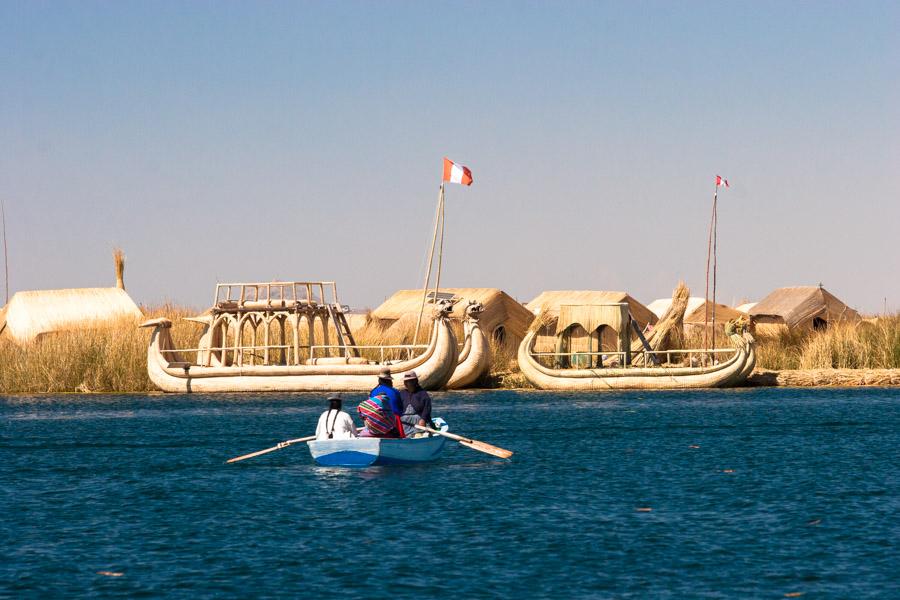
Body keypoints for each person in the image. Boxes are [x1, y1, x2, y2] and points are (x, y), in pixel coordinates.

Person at [370, 367, 405, 435]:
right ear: (389, 380)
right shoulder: (395, 392)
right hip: (394, 422)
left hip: (376, 423)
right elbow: (400, 410)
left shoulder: (373, 392)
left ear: (379, 380)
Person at [399, 371, 433, 437]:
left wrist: (423, 419)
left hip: (419, 421)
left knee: (420, 434)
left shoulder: (422, 394)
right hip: (405, 422)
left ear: (414, 381)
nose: (405, 383)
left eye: (408, 381)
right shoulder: (402, 393)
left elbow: (427, 408)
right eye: (405, 381)